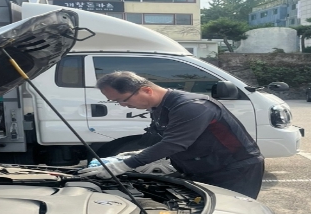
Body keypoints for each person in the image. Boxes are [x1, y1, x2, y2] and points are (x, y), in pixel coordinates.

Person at [78, 71, 265, 199]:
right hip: (201, 167)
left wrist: (123, 166)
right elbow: (158, 137)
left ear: (146, 90)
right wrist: (130, 155)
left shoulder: (192, 106)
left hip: (233, 169)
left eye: (123, 100)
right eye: (116, 102)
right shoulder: (159, 108)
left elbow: (173, 143)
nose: (123, 106)